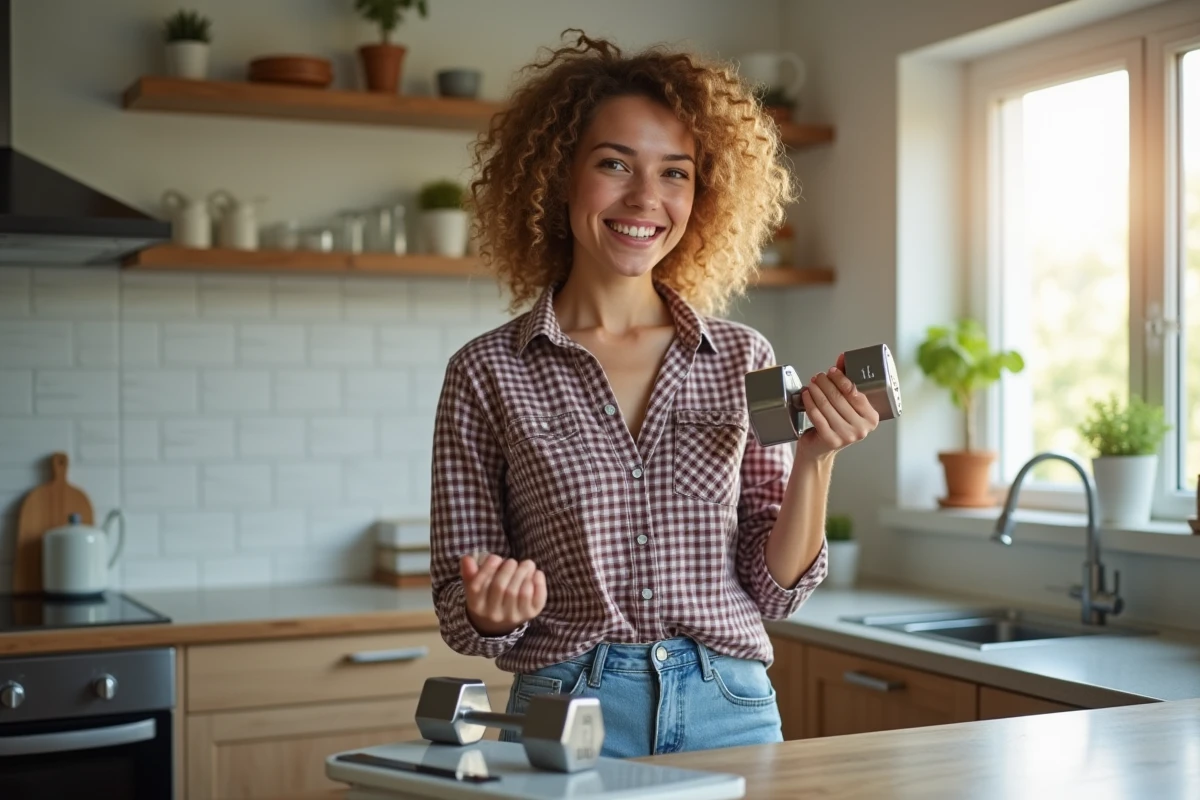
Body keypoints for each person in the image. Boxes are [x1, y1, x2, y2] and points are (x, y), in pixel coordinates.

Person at [429, 29, 879, 758]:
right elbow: (459, 604)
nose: (646, 198)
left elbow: (774, 590)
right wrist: (490, 608)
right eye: (614, 164)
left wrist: (816, 458)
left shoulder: (743, 359)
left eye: (675, 173)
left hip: (731, 707)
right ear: (558, 176)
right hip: (568, 710)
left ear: (703, 194)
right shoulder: (486, 372)